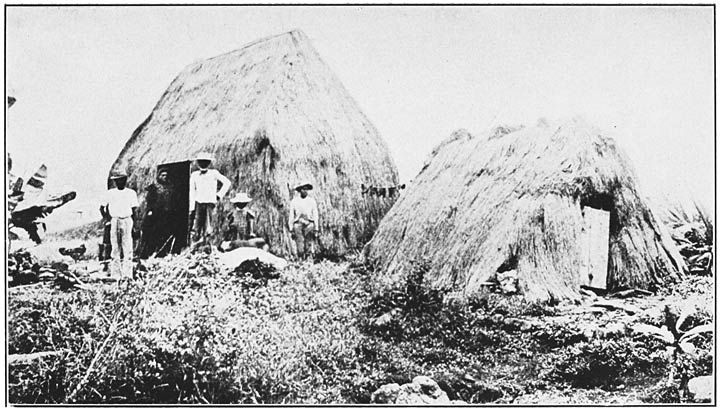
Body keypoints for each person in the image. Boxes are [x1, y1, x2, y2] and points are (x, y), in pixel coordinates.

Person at [100, 171, 139, 279]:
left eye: (122, 179)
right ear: (115, 181)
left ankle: (127, 274)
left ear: (125, 180)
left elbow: (134, 210)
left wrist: (135, 225)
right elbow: (102, 207)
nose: (119, 182)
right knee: (115, 247)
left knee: (127, 247)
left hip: (127, 219)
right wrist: (107, 220)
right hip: (115, 220)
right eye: (117, 180)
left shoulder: (131, 193)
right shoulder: (110, 193)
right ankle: (116, 274)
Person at [189, 152, 231, 249]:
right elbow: (192, 191)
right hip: (198, 203)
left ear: (209, 163)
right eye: (201, 162)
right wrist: (192, 207)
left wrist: (218, 195)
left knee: (208, 227)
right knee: (196, 226)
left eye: (205, 162)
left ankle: (208, 247)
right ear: (198, 163)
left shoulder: (214, 173)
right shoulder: (194, 175)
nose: (203, 164)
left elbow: (227, 182)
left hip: (210, 204)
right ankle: (194, 248)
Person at [139, 167, 176, 258]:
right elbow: (149, 200)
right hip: (155, 214)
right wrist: (150, 210)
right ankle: (148, 252)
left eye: (166, 175)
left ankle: (161, 252)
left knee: (164, 233)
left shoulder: (170, 187)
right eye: (162, 175)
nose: (164, 177)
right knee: (153, 233)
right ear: (159, 176)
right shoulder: (153, 187)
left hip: (166, 214)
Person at [289, 181, 319, 259]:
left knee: (308, 242)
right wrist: (291, 228)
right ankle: (301, 258)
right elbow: (291, 215)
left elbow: (315, 214)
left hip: (309, 224)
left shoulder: (311, 201)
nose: (305, 191)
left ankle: (308, 259)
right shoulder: (294, 201)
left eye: (306, 189)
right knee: (299, 242)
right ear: (299, 190)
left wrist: (316, 228)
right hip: (298, 224)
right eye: (303, 189)